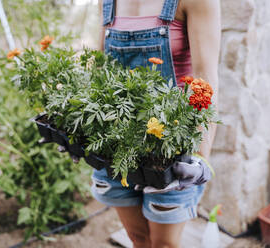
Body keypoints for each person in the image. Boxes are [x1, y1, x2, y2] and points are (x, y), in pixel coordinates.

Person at [90, 0, 221, 247]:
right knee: (138, 238)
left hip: (171, 149)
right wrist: (77, 127)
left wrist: (200, 157)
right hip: (120, 146)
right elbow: (101, 67)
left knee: (164, 244)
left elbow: (206, 77)